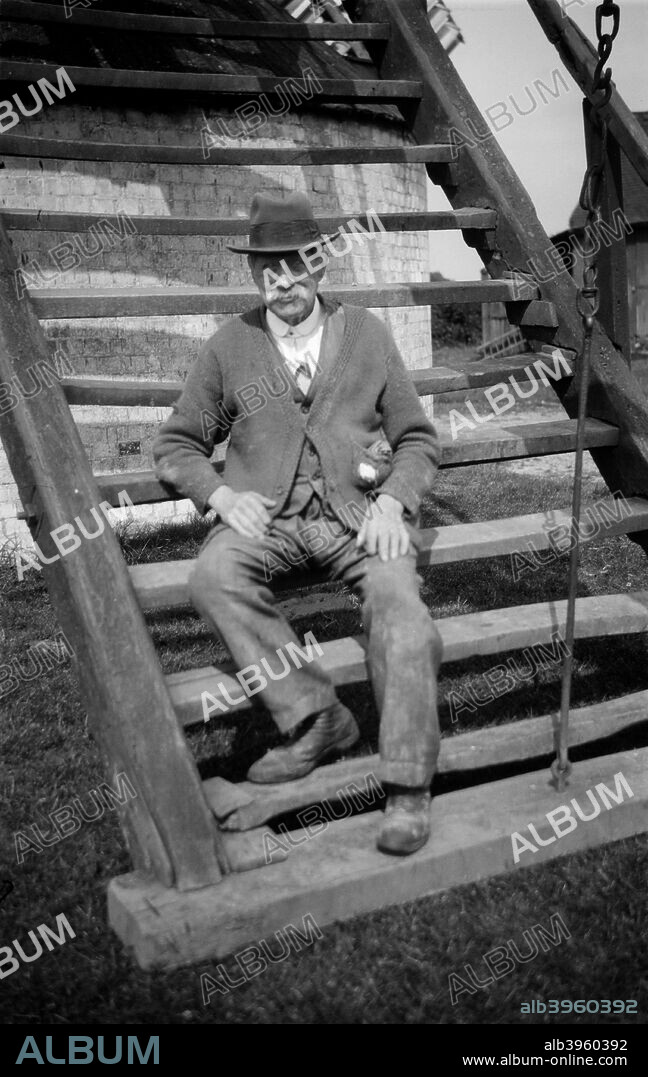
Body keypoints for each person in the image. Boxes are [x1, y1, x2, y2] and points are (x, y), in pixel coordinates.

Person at [153, 191, 443, 855]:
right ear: (256, 274)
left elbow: (419, 439)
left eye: (297, 264)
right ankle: (317, 717)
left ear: (319, 266)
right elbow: (176, 445)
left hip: (358, 517)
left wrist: (396, 501)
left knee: (401, 607)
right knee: (213, 575)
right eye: (269, 268)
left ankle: (407, 784)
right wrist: (222, 498)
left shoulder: (366, 333)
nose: (283, 280)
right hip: (269, 521)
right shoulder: (232, 345)